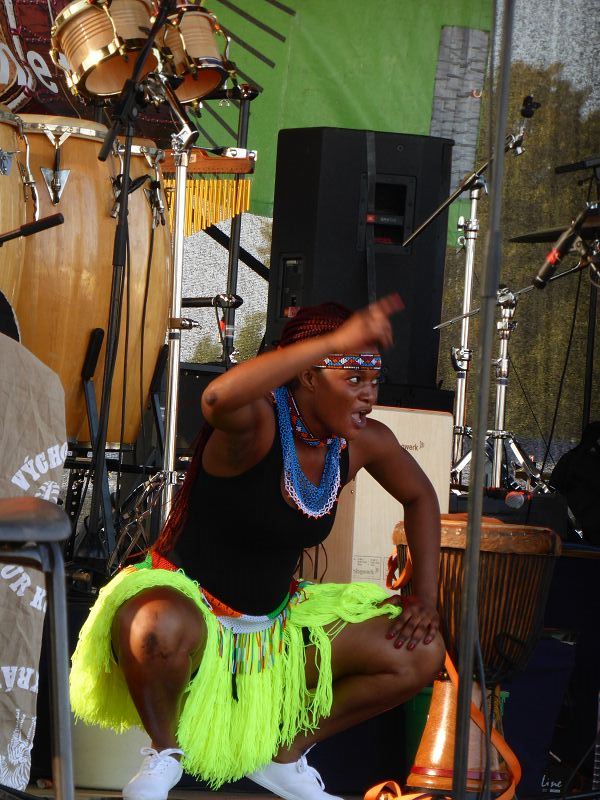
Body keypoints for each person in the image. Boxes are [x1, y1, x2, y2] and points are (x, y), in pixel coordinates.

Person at [70, 295, 444, 800]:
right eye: (353, 379)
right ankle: (164, 753)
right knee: (154, 624)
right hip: (193, 615)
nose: (368, 397)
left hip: (275, 630)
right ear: (309, 375)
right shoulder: (257, 424)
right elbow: (216, 398)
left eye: (373, 381)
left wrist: (425, 598)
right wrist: (332, 342)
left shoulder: (361, 442)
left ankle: (283, 756)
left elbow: (420, 497)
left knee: (419, 652)